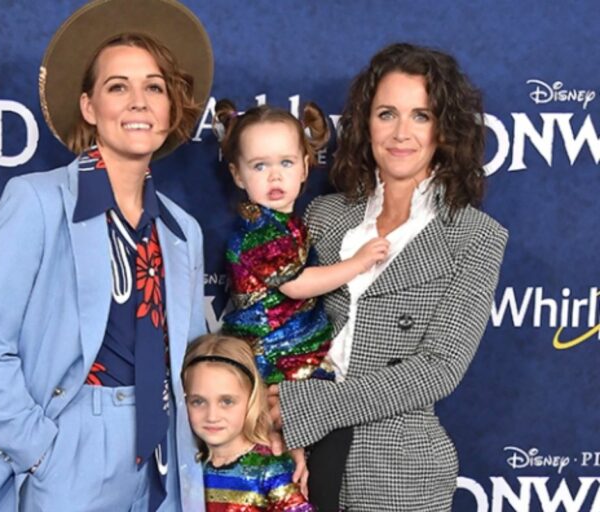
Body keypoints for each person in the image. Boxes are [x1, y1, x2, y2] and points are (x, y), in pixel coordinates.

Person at [0, 1, 213, 510]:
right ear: (90, 107)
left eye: (154, 87)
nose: (139, 102)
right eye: (118, 87)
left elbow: (189, 357)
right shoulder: (38, 202)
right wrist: (40, 451)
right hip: (70, 446)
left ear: (171, 107)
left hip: (163, 453)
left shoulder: (183, 230)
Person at [267, 43, 509, 511]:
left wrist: (307, 409)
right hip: (295, 460)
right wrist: (280, 425)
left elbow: (437, 369)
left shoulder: (476, 237)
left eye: (421, 115)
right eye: (386, 114)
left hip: (398, 470)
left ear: (445, 129)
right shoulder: (325, 214)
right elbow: (277, 322)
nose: (402, 133)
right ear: (365, 124)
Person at [214, 101, 389, 510]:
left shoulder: (290, 224)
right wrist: (358, 263)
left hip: (298, 365)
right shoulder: (261, 231)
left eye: (286, 162)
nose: (275, 175)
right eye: (259, 166)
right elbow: (296, 285)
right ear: (237, 174)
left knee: (300, 464)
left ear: (306, 167)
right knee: (275, 460)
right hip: (272, 361)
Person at [182, 333, 315, 512]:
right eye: (198, 401)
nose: (212, 416)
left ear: (251, 399)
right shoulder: (187, 465)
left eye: (227, 401)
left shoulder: (269, 468)